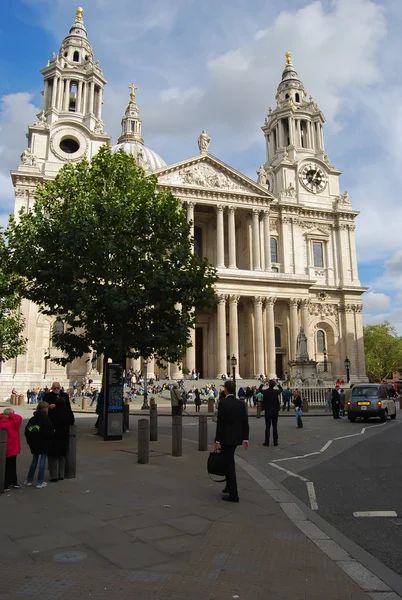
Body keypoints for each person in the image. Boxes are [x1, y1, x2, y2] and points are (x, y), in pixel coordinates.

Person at [214, 380, 249, 503]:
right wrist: (245, 438)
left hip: (226, 439)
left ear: (226, 390)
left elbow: (220, 424)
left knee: (230, 466)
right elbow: (245, 422)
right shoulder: (241, 404)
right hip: (236, 439)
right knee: (228, 462)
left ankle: (234, 495)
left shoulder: (223, 404)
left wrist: (217, 440)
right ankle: (228, 487)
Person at [24, 401, 54, 489]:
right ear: (45, 410)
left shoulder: (32, 419)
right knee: (42, 462)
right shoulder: (46, 419)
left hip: (34, 443)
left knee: (34, 461)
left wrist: (31, 441)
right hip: (44, 444)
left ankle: (29, 480)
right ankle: (39, 482)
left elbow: (27, 431)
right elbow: (49, 433)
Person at [47, 395, 75, 482]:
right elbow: (72, 421)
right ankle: (61, 474)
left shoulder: (52, 412)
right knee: (62, 456)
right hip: (64, 435)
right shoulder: (68, 412)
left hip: (54, 435)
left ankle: (54, 476)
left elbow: (48, 421)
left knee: (53, 456)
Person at [0, 408, 23, 491]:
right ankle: (12, 482)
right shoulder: (13, 423)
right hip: (12, 448)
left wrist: (3, 415)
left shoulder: (2, 422)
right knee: (11, 467)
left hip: (3, 449)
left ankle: (6, 484)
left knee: (4, 467)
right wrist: (10, 415)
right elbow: (19, 417)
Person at [261, 379, 283, 446]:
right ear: (274, 385)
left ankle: (266, 442)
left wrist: (263, 383)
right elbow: (281, 389)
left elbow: (259, 389)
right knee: (275, 426)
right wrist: (277, 383)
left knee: (267, 427)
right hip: (275, 411)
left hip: (268, 411)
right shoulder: (275, 392)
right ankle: (275, 442)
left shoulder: (265, 392)